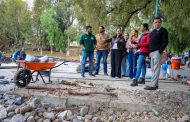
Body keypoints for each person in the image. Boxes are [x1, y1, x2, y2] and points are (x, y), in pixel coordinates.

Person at [144, 17, 168, 90]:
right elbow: (150, 42)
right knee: (153, 69)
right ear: (153, 23)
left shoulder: (163, 31)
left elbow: (165, 42)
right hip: (151, 52)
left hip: (157, 52)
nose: (157, 23)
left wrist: (160, 51)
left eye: (159, 22)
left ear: (160, 23)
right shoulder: (152, 32)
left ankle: (153, 85)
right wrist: (149, 52)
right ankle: (155, 84)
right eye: (156, 22)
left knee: (156, 69)